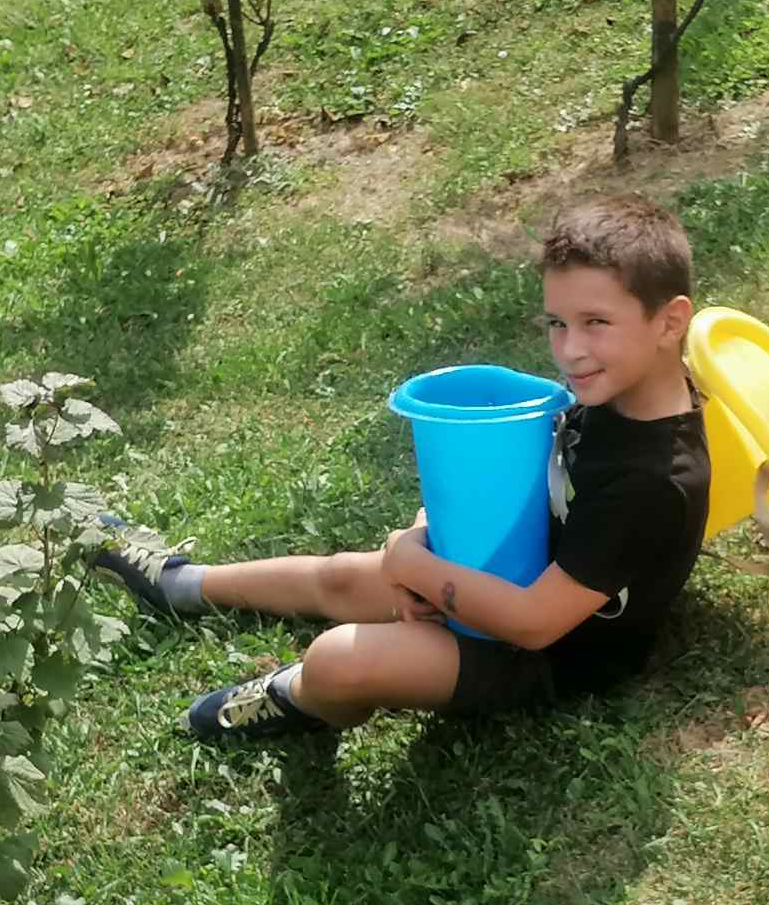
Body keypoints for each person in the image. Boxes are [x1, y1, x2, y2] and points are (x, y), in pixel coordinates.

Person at [95, 194, 711, 741]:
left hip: (549, 655)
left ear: (670, 321)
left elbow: (531, 625)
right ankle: (182, 584)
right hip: (511, 568)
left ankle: (296, 696)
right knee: (338, 578)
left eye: (596, 323)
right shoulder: (615, 389)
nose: (570, 350)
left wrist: (413, 563)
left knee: (339, 659)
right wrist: (428, 544)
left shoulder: (653, 482)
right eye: (557, 323)